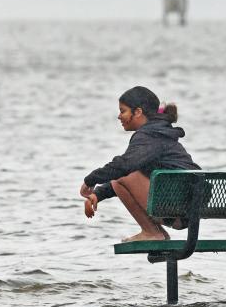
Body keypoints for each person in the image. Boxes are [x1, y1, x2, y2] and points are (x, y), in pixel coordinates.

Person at [80, 86, 200, 242]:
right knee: (122, 174)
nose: (119, 116)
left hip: (176, 208)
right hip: (188, 209)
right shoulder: (160, 133)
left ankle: (152, 233)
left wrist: (90, 180)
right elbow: (129, 172)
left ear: (137, 112)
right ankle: (156, 233)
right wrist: (99, 194)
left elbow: (124, 167)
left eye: (123, 111)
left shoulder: (149, 135)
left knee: (120, 174)